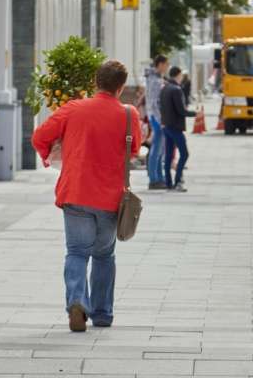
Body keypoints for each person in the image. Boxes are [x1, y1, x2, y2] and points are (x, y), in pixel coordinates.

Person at [31, 60, 141, 332]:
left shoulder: (73, 109)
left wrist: (53, 156)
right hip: (110, 196)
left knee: (77, 252)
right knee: (104, 255)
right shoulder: (129, 115)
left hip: (76, 192)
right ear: (121, 86)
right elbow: (135, 151)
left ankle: (77, 301)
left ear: (96, 81)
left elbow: (39, 136)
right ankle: (102, 313)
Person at [160, 66, 196, 192]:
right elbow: (181, 111)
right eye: (181, 76)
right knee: (184, 154)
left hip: (166, 126)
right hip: (175, 127)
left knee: (169, 156)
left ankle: (168, 183)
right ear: (178, 75)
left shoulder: (164, 88)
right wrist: (196, 114)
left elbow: (161, 107)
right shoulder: (176, 89)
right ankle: (177, 181)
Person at [145, 55, 169, 190]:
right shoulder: (154, 80)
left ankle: (159, 177)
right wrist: (161, 120)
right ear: (160, 64)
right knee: (156, 148)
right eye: (166, 64)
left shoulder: (156, 78)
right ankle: (154, 179)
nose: (167, 67)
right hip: (157, 117)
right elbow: (154, 103)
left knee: (160, 149)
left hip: (156, 117)